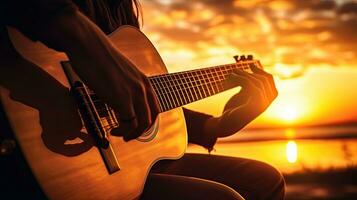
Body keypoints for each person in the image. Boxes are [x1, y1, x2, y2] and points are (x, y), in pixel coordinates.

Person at [0, 0, 284, 199]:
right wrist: (72, 29)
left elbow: (127, 99)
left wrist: (214, 126)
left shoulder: (120, 6)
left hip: (111, 159)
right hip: (21, 149)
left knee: (265, 180)